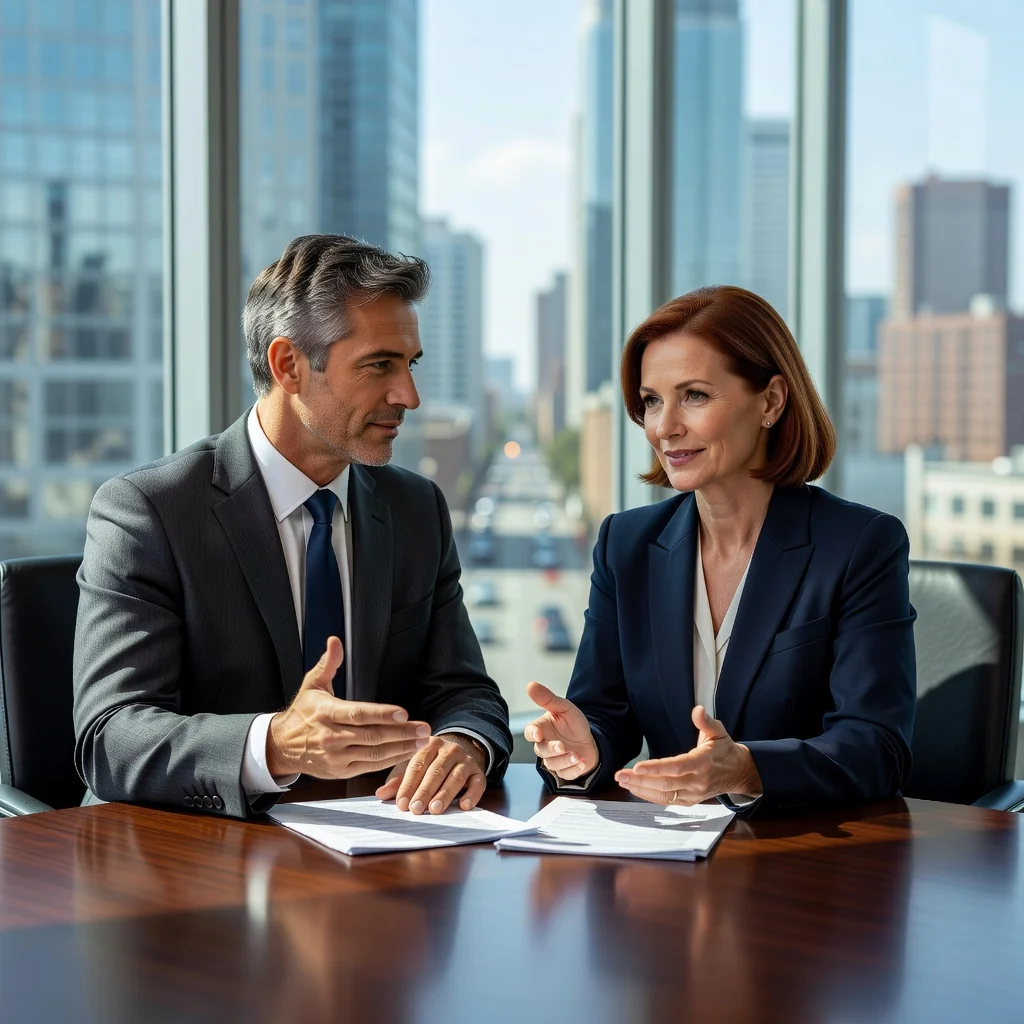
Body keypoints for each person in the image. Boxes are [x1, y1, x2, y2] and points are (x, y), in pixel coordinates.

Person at [73, 234, 512, 818]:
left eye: (409, 365)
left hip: (380, 849)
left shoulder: (416, 509)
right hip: (192, 864)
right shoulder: (148, 511)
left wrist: (464, 743)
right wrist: (276, 745)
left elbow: (464, 690)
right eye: (380, 365)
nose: (408, 394)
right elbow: (111, 736)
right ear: (289, 366)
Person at [525, 285, 915, 813]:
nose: (665, 427)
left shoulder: (859, 545)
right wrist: (584, 750)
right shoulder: (626, 545)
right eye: (652, 401)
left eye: (695, 396)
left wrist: (749, 769)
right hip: (670, 864)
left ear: (771, 402)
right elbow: (605, 716)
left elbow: (877, 748)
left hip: (803, 861)